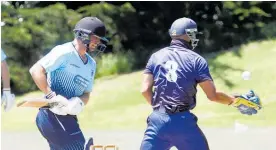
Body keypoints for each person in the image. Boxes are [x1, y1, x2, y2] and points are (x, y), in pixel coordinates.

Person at [140, 17, 261, 150]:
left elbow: (145, 90)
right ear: (189, 34)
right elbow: (212, 95)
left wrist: (161, 110)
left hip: (157, 121)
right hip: (182, 122)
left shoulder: (156, 56)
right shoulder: (196, 60)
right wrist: (235, 101)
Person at [29, 17, 109, 150]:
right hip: (51, 115)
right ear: (83, 34)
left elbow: (86, 93)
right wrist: (51, 96)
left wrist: (78, 102)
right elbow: (36, 70)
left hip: (69, 118)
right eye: (96, 37)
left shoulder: (91, 64)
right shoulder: (64, 51)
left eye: (100, 39)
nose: (98, 42)